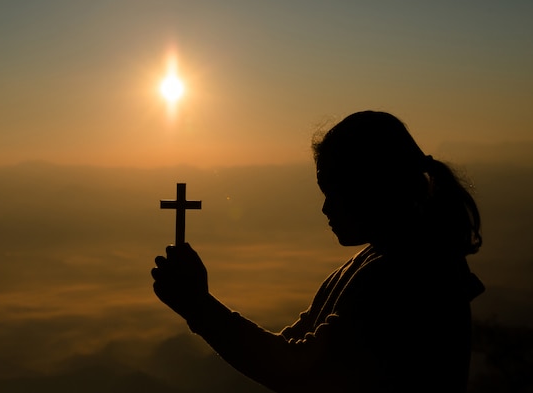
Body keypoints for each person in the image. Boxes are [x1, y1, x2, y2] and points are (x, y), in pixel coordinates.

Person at [151, 111, 484, 392]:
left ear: (370, 186)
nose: (325, 208)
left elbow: (297, 370)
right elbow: (295, 347)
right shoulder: (376, 261)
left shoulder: (407, 274)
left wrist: (199, 307)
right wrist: (199, 305)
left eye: (333, 191)